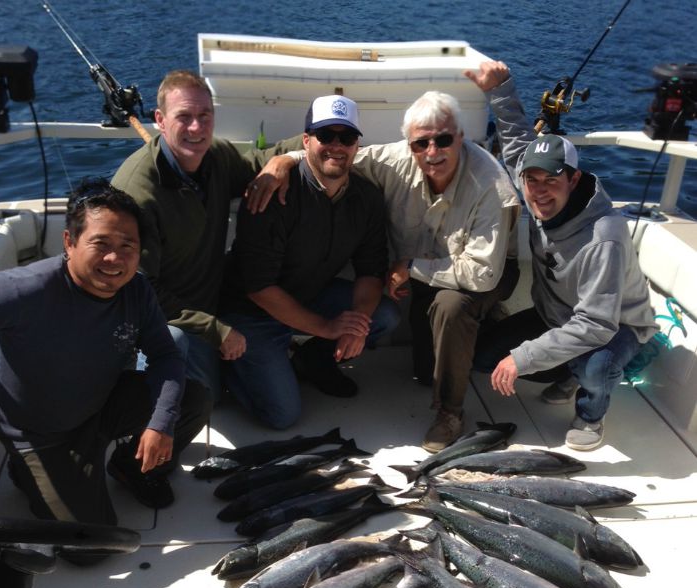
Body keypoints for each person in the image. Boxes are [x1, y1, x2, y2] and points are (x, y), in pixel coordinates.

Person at [249, 91, 520, 451]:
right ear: (409, 144)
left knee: (448, 307)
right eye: (421, 143)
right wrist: (282, 160)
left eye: (442, 140)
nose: (432, 152)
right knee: (424, 373)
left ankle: (450, 412)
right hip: (425, 271)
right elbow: (338, 159)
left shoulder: (491, 186)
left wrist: (408, 268)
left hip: (484, 273)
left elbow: (482, 273)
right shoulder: (391, 160)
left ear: (460, 137)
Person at [0, 179, 211, 526]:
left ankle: (129, 466)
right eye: (101, 243)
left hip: (99, 407)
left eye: (128, 245)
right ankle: (29, 474)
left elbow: (164, 355)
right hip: (41, 436)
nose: (115, 258)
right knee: (92, 547)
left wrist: (160, 424)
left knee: (193, 400)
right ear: (69, 242)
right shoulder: (24, 290)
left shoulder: (136, 288)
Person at [467, 61, 657, 451]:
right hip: (555, 316)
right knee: (484, 357)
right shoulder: (536, 192)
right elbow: (517, 143)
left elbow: (597, 325)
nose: (539, 191)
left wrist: (523, 358)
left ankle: (591, 413)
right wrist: (500, 87)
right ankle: (570, 368)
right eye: (532, 180)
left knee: (596, 364)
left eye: (552, 180)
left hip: (615, 326)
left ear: (572, 179)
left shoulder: (604, 235)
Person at [112, 69, 300, 405]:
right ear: (160, 120)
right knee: (203, 398)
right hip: (168, 321)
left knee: (280, 411)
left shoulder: (216, 157)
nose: (197, 128)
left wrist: (287, 158)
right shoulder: (137, 193)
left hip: (218, 304)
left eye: (204, 115)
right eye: (183, 117)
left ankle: (236, 368)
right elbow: (138, 291)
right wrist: (215, 331)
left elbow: (258, 162)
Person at [222, 94, 400, 430]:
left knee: (383, 316)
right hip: (250, 312)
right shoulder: (271, 193)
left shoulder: (367, 199)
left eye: (346, 137)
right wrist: (329, 328)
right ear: (305, 141)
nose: (336, 146)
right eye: (325, 136)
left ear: (357, 146)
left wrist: (356, 323)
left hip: (310, 295)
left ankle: (312, 359)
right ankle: (231, 364)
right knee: (282, 415)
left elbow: (371, 270)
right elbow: (258, 288)